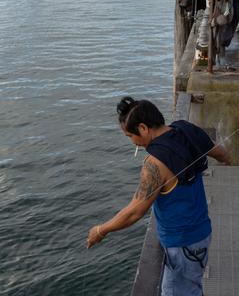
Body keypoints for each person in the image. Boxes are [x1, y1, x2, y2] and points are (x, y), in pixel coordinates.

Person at [86, 97, 230, 296]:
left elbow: (135, 211)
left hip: (181, 244)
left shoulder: (154, 163)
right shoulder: (185, 129)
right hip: (202, 232)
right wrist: (229, 162)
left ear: (143, 128)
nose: (133, 142)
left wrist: (101, 230)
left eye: (130, 136)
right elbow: (221, 153)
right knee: (191, 289)